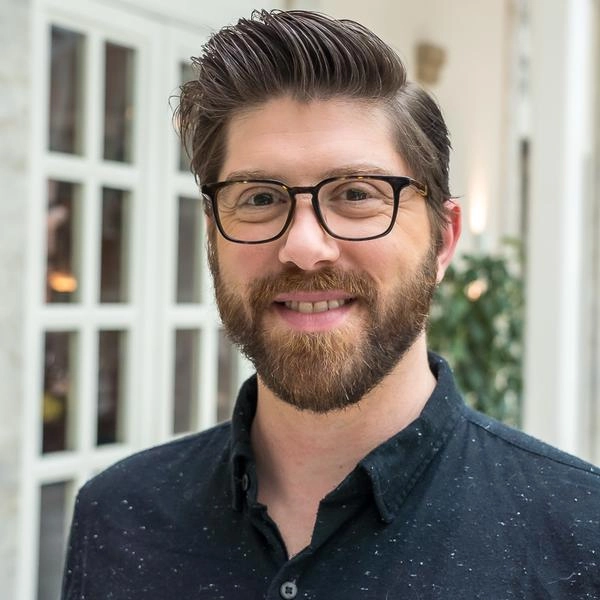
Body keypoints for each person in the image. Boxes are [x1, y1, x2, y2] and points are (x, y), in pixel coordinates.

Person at [61, 10, 600, 599]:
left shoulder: (580, 537)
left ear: (443, 240)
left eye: (356, 194)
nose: (304, 247)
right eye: (259, 198)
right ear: (212, 236)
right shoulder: (117, 516)